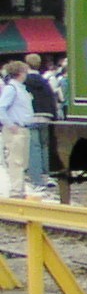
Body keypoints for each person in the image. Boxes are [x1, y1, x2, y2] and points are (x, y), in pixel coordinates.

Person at [21, 53, 56, 194]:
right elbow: (52, 98)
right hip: (46, 116)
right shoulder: (45, 80)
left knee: (33, 148)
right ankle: (46, 175)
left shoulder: (24, 81)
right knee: (44, 147)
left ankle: (36, 180)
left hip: (31, 116)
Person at [0, 61, 34, 200]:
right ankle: (15, 191)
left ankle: (20, 189)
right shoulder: (11, 89)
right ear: (20, 73)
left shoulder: (21, 88)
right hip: (16, 129)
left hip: (23, 128)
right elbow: (1, 107)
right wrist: (10, 124)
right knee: (16, 161)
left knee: (23, 161)